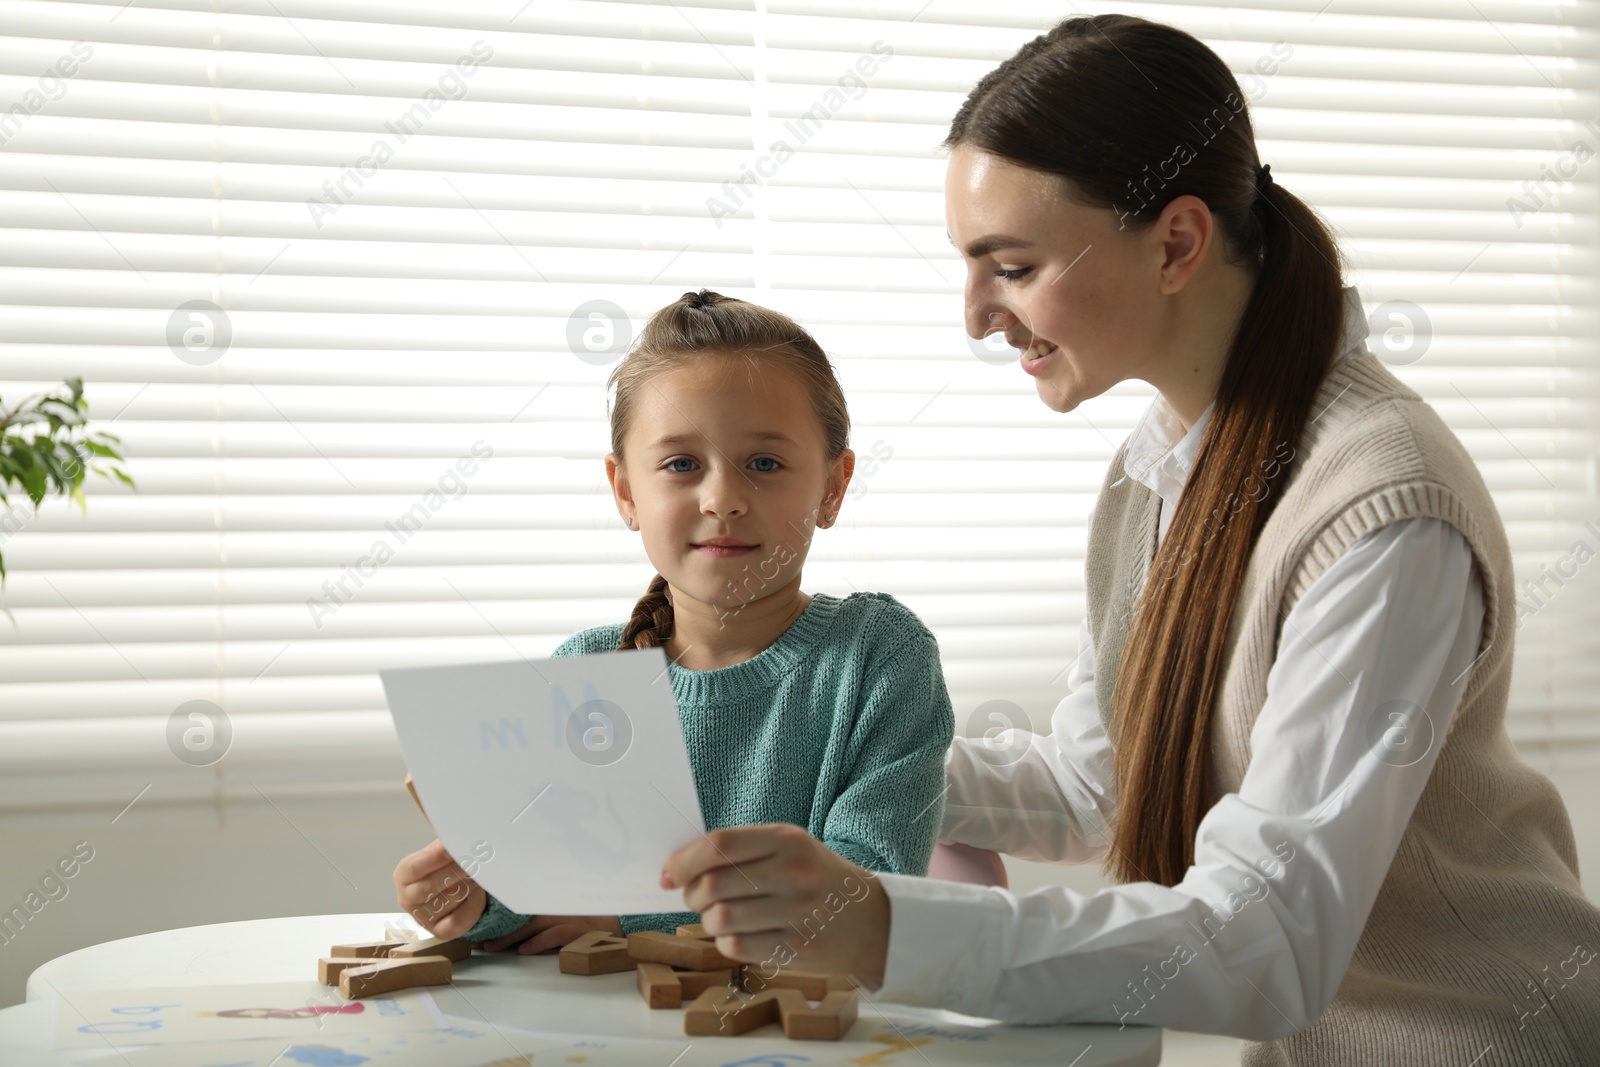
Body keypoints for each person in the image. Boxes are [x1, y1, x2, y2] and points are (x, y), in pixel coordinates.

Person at [660, 14, 1600, 1065]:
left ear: (1178, 242)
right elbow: (1097, 782)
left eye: (1008, 264)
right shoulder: (1159, 474)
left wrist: (881, 928)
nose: (974, 313)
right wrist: (803, 743)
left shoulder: (1385, 509)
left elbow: (1269, 933)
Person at [393, 289, 953, 953]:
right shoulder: (584, 673)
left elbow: (859, 900)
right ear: (626, 491)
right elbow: (543, 904)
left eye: (765, 463)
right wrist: (475, 898)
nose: (722, 498)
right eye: (682, 464)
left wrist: (631, 922)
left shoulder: (880, 657)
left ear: (832, 487)